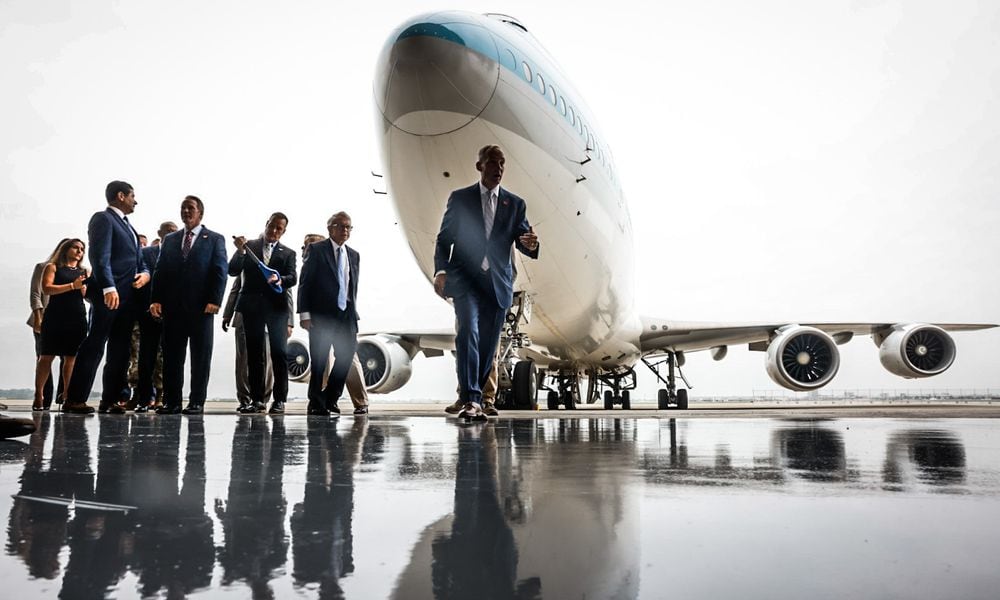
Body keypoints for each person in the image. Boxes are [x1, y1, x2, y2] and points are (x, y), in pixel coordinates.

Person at [433, 145, 539, 420]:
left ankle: (476, 396)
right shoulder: (460, 199)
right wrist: (440, 271)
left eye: (502, 163)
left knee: (488, 345)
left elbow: (523, 239)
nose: (498, 168)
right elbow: (445, 239)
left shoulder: (515, 204)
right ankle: (472, 400)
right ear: (480, 166)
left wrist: (530, 244)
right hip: (466, 280)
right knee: (468, 332)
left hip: (497, 283)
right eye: (492, 162)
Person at [62, 180, 150, 415]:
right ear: (121, 196)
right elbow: (99, 256)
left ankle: (110, 400)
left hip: (129, 297)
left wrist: (145, 274)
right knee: (95, 343)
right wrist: (109, 288)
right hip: (108, 295)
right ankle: (75, 399)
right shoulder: (102, 219)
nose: (136, 201)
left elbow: (140, 261)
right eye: (133, 196)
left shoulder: (130, 227)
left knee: (120, 349)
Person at [150, 196, 228, 414]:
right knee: (172, 358)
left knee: (200, 358)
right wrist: (155, 299)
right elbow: (160, 271)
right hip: (173, 309)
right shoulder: (171, 240)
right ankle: (171, 402)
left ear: (200, 213)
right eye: (183, 208)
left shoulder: (214, 239)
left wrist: (215, 300)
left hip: (201, 309)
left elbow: (219, 271)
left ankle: (196, 402)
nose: (186, 211)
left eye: (190, 208)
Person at [228, 212, 297, 414]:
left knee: (279, 354)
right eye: (272, 226)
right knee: (254, 355)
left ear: (283, 231)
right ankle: (257, 400)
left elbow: (293, 278)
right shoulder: (249, 246)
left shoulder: (288, 253)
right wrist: (240, 252)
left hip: (277, 310)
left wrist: (280, 280)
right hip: (251, 308)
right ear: (266, 224)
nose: (274, 231)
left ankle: (279, 400)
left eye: (279, 229)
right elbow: (232, 270)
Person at [298, 212, 360, 416]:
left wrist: (353, 313)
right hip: (321, 316)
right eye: (341, 226)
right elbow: (305, 283)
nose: (345, 230)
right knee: (320, 360)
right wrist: (304, 314)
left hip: (346, 316)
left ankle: (330, 398)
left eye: (348, 227)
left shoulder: (353, 255)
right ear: (330, 228)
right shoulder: (316, 250)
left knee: (346, 356)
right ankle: (316, 402)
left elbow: (352, 286)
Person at [33, 239, 89, 411]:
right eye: (75, 247)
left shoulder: (84, 271)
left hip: (77, 317)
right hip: (55, 317)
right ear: (66, 249)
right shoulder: (52, 267)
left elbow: (86, 295)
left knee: (71, 358)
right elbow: (47, 289)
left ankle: (67, 395)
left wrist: (84, 289)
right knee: (46, 357)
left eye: (82, 249)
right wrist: (73, 285)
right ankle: (39, 394)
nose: (79, 251)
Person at [131, 221, 178, 412]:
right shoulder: (145, 253)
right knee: (146, 357)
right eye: (167, 231)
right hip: (147, 313)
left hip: (173, 315)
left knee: (169, 358)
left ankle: (163, 397)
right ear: (159, 233)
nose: (170, 234)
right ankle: (143, 398)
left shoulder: (181, 256)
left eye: (174, 232)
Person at [28, 238, 69, 408]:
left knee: (66, 359)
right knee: (44, 358)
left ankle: (63, 397)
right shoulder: (43, 267)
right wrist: (38, 318)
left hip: (67, 320)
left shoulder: (76, 271)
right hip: (44, 319)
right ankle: (43, 398)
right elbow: (36, 294)